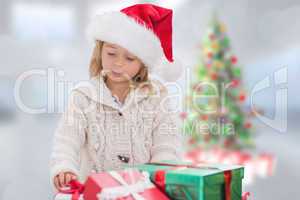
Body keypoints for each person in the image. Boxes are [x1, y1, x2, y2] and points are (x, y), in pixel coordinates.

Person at [50, 3, 183, 191]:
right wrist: (64, 168)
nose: (118, 63)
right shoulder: (83, 96)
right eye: (111, 53)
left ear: (143, 63)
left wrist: (161, 176)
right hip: (96, 192)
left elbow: (166, 144)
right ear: (100, 51)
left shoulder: (157, 96)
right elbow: (66, 141)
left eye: (129, 58)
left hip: (143, 191)